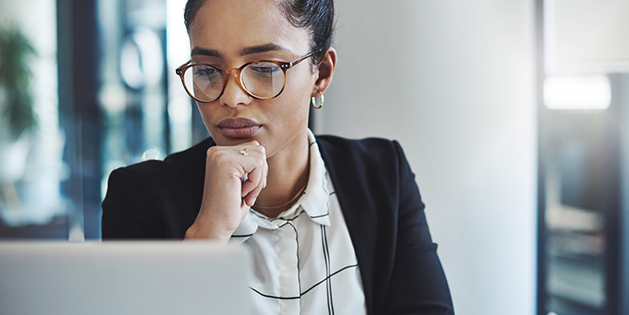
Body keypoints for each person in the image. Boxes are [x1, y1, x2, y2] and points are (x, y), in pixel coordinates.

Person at [102, 0, 454, 314]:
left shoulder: (382, 176)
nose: (233, 97)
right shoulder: (139, 198)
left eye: (265, 68)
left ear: (322, 74)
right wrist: (206, 236)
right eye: (208, 70)